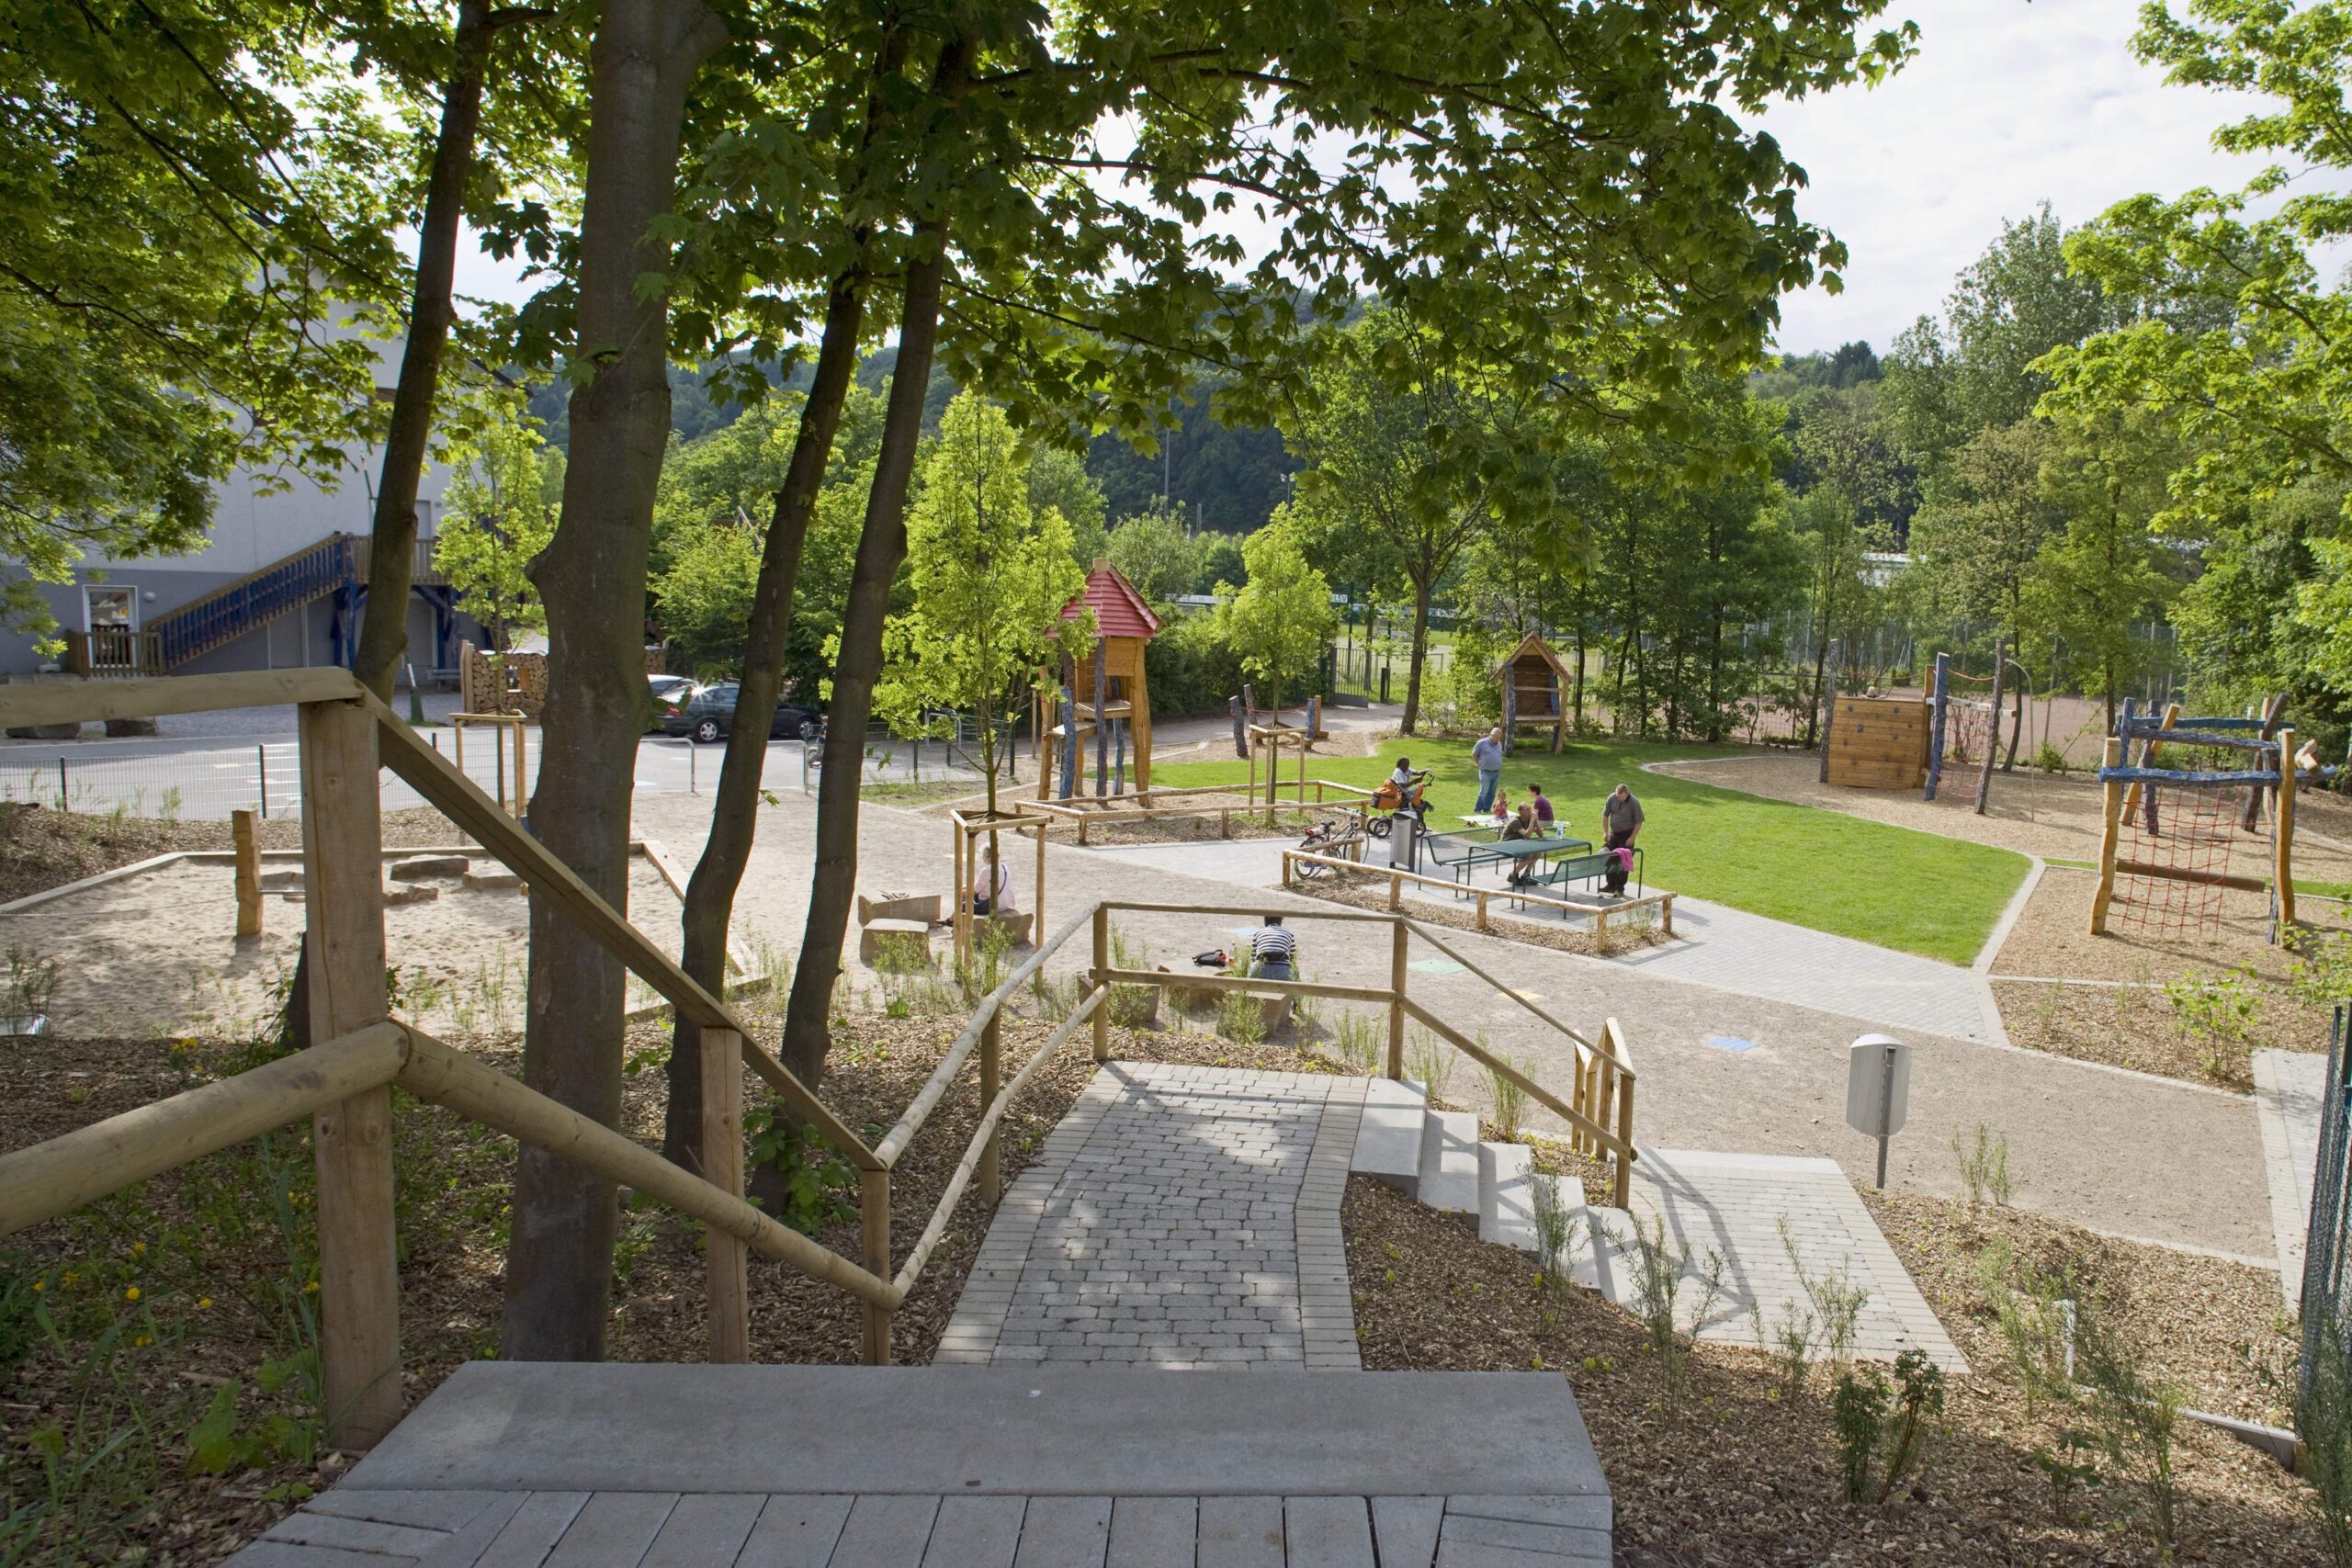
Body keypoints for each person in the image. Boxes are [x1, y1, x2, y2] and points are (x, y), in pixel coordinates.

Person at [1600, 783, 1643, 897]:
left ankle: (1619, 888)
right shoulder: (1611, 798)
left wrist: (1632, 837)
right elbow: (1605, 815)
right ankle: (1610, 885)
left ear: (1626, 794)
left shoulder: (1634, 803)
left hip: (1627, 835)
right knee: (1609, 858)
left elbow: (1639, 822)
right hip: (1614, 834)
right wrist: (1605, 832)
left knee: (1623, 862)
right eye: (1618, 796)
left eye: (1622, 797)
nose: (1620, 799)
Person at [1246, 915, 1297, 981]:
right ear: (1281, 921)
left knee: (1253, 966)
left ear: (1265, 920)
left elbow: (1253, 957)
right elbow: (1292, 958)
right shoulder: (1289, 934)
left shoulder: (1258, 933)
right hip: (1282, 971)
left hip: (1260, 970)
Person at [1501, 803, 1541, 886]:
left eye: (1530, 809)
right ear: (1521, 812)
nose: (1530, 811)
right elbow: (1527, 835)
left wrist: (1536, 820)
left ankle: (1526, 876)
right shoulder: (1515, 821)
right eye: (1527, 809)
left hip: (1519, 845)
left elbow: (1541, 834)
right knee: (1529, 855)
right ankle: (1513, 875)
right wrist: (1532, 821)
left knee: (1537, 853)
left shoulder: (1528, 819)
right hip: (1506, 846)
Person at [971, 843, 1014, 916]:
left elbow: (975, 890)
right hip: (1005, 903)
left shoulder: (987, 870)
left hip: (992, 905)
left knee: (963, 904)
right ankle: (950, 920)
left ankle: (951, 920)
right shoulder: (1004, 866)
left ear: (986, 857)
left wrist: (961, 892)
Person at [1472, 727, 1504, 813]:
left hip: (1496, 771)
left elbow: (1500, 754)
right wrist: (1479, 764)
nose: (1497, 739)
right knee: (1484, 791)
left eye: (1499, 737)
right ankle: (1478, 809)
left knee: (1492, 792)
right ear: (1491, 734)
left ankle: (1486, 808)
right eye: (1496, 737)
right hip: (1485, 771)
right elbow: (1474, 754)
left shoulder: (1499, 744)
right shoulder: (1482, 743)